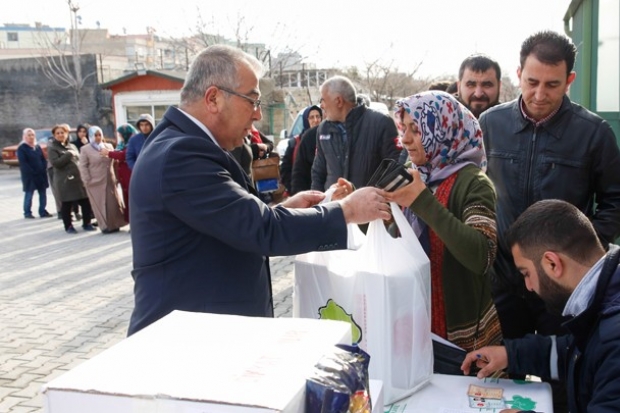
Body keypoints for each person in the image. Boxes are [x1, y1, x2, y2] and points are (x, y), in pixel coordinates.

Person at [127, 44, 391, 336]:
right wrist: (348, 210)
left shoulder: (187, 145)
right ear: (213, 98)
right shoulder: (181, 154)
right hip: (187, 342)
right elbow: (260, 229)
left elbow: (230, 222)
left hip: (205, 332)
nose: (256, 116)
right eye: (251, 102)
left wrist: (284, 210)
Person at [480, 30, 620, 342]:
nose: (540, 94)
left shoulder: (594, 133)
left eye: (552, 84)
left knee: (563, 380)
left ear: (569, 80)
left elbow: (615, 200)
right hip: (503, 280)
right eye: (532, 82)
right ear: (518, 74)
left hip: (565, 287)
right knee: (500, 376)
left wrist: (578, 252)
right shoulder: (489, 124)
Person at [461, 199, 620, 413]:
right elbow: (572, 353)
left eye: (526, 273)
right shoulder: (602, 299)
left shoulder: (614, 337)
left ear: (552, 263)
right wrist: (509, 354)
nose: (528, 286)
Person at [385, 91, 502, 359]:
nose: (405, 139)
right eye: (404, 128)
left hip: (463, 337)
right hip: (415, 324)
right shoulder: (415, 176)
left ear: (444, 131)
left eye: (417, 130)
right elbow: (396, 239)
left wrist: (422, 202)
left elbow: (481, 255)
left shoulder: (474, 183)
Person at [311, 75, 400, 191]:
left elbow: (394, 171)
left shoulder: (381, 123)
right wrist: (318, 203)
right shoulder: (323, 129)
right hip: (333, 207)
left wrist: (370, 198)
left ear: (338, 101)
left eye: (322, 100)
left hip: (369, 207)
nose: (321, 106)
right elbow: (318, 172)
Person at [46, 123, 95, 234]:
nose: (60, 135)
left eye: (62, 133)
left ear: (67, 134)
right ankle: (68, 226)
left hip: (78, 179)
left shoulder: (72, 146)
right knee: (67, 204)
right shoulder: (52, 148)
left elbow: (79, 159)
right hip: (64, 181)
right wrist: (68, 154)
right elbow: (56, 163)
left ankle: (87, 223)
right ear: (54, 135)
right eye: (57, 133)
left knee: (85, 201)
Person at [78, 126, 127, 234]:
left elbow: (114, 162)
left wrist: (117, 177)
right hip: (95, 182)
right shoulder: (86, 149)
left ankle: (116, 224)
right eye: (95, 135)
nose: (98, 137)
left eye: (99, 135)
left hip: (109, 180)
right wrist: (87, 180)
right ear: (90, 136)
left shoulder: (108, 146)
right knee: (100, 205)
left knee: (113, 204)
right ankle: (105, 226)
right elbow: (83, 166)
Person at [280, 104, 322, 195]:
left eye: (318, 116)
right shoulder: (295, 142)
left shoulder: (327, 139)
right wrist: (294, 190)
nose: (315, 120)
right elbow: (285, 169)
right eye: (311, 117)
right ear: (306, 120)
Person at [101, 124, 136, 223]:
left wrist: (109, 153)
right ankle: (130, 221)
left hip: (130, 174)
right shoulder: (123, 143)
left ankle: (134, 222)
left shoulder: (133, 143)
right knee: (127, 198)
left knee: (132, 199)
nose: (120, 136)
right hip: (123, 175)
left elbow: (124, 155)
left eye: (121, 134)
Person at [16, 128, 52, 219]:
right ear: (24, 136)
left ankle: (42, 211)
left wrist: (43, 167)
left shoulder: (37, 146)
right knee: (29, 194)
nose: (31, 137)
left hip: (41, 174)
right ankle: (27, 212)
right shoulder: (22, 148)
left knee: (43, 193)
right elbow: (23, 163)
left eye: (32, 135)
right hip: (30, 176)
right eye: (29, 135)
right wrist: (33, 172)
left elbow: (43, 159)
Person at [456, 54, 501, 118]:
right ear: (459, 87)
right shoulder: (441, 121)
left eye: (487, 85)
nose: (478, 94)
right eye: (470, 85)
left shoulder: (512, 123)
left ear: (499, 86)